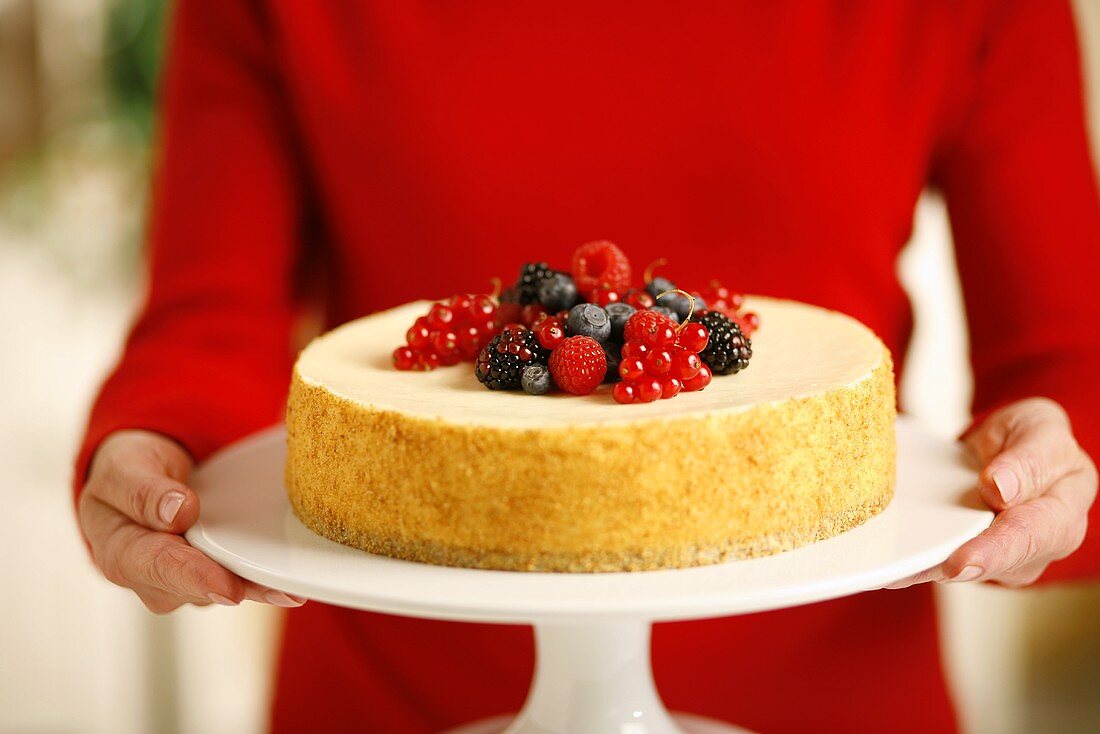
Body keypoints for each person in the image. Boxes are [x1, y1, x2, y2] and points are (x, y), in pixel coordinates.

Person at [75, 2, 1099, 732]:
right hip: (400, 699)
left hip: (828, 703)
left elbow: (1069, 371)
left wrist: (1052, 471)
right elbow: (207, 321)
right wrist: (163, 444)